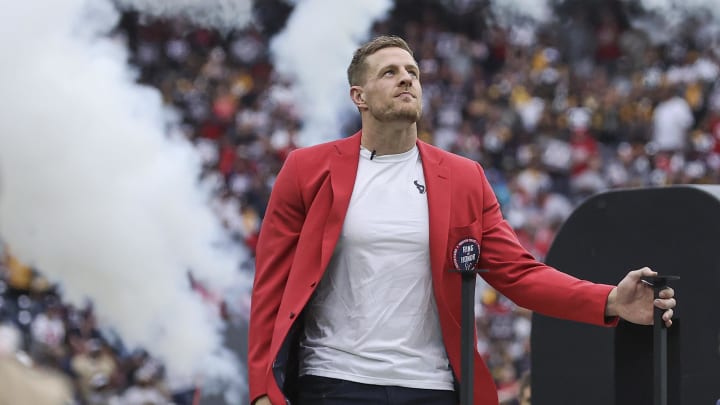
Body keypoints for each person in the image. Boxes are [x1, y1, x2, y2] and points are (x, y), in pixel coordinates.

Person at [248, 35, 676, 405]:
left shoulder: (463, 177)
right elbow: (270, 287)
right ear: (358, 96)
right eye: (389, 72)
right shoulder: (306, 170)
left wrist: (610, 301)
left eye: (412, 71)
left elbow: (519, 274)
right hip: (334, 381)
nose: (406, 78)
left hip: (432, 386)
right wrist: (262, 388)